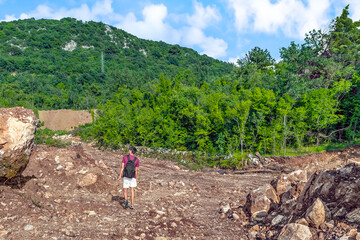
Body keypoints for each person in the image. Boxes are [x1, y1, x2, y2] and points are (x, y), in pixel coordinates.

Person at [119, 146, 139, 210]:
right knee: (132, 190)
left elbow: (122, 167)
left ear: (130, 151)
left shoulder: (125, 157)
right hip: (133, 177)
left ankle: (126, 201)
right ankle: (132, 205)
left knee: (125, 190)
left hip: (126, 175)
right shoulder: (136, 160)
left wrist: (120, 175)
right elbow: (136, 170)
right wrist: (136, 178)